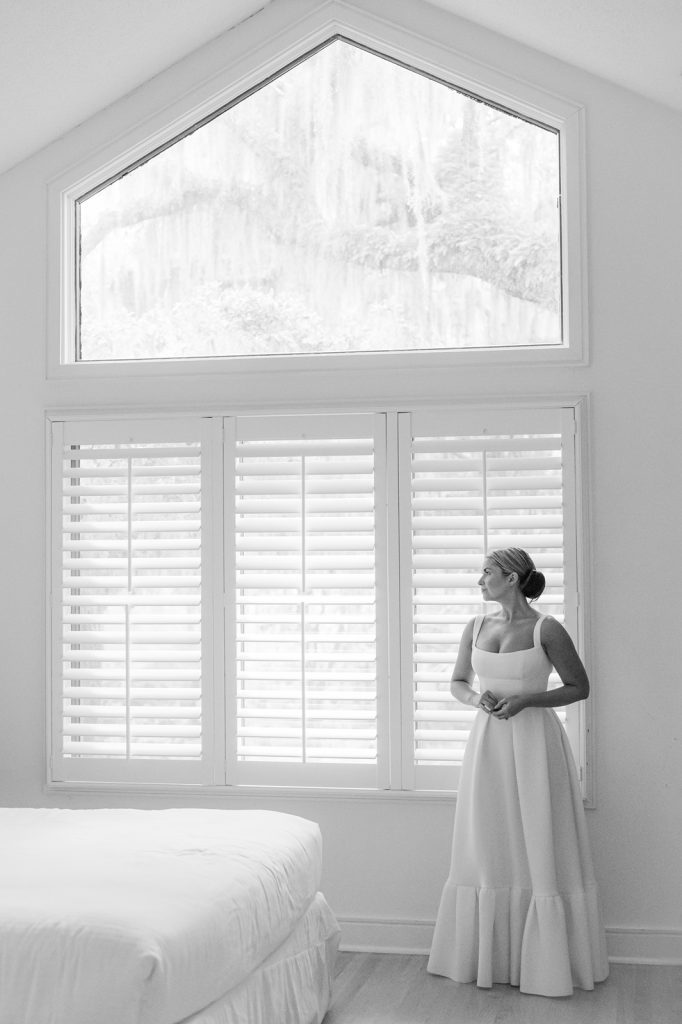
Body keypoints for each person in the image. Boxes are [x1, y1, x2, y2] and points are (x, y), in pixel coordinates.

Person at [427, 547, 609, 997]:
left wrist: (528, 699)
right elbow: (458, 681)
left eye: (486, 572)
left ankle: (545, 962)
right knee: (490, 841)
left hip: (535, 746)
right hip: (488, 744)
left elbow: (578, 687)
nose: (479, 580)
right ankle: (491, 958)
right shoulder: (475, 626)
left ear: (510, 578)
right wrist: (476, 700)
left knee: (539, 839)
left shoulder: (547, 628)